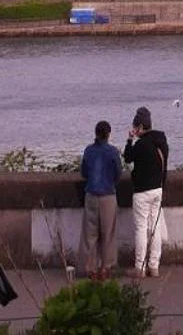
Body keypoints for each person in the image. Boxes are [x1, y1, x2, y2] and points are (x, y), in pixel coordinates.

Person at [123, 106, 168, 278]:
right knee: (155, 228)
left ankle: (139, 267)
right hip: (158, 189)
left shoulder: (141, 145)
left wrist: (129, 139)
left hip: (142, 192)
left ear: (140, 126)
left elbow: (127, 157)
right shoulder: (162, 142)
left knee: (141, 229)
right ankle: (154, 266)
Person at [78, 120, 124, 281]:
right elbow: (118, 173)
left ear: (95, 133)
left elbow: (84, 172)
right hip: (107, 196)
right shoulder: (112, 152)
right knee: (108, 233)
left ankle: (88, 267)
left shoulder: (88, 151)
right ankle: (106, 267)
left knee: (89, 234)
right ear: (108, 134)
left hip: (91, 194)